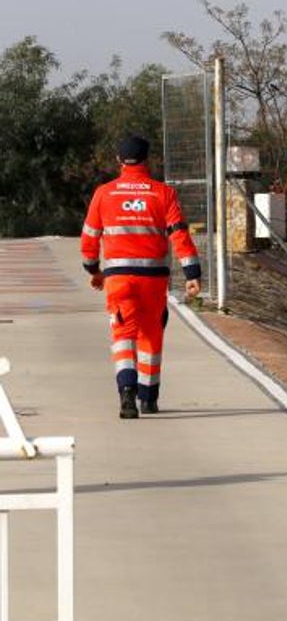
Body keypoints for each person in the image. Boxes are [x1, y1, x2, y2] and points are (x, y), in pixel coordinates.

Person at [80, 135, 203, 419]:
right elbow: (179, 235)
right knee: (151, 336)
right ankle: (148, 399)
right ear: (147, 160)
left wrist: (94, 270)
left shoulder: (104, 194)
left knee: (123, 335)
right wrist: (192, 273)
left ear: (119, 161)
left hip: (118, 279)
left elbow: (89, 239)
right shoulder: (163, 194)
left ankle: (126, 394)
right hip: (154, 280)